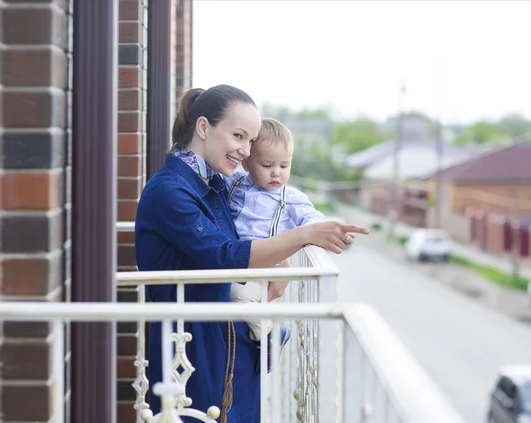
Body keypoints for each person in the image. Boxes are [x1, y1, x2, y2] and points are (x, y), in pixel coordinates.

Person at [135, 84, 369, 423]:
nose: (246, 151)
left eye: (250, 140)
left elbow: (241, 239)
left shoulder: (210, 183)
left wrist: (279, 256)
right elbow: (223, 253)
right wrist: (301, 236)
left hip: (223, 338)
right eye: (238, 136)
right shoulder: (170, 190)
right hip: (189, 342)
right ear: (203, 127)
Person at [223, 118, 329, 373]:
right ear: (247, 163)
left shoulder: (290, 197)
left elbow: (312, 218)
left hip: (264, 267)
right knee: (233, 296)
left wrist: (324, 232)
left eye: (284, 165)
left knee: (237, 297)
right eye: (267, 165)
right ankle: (264, 332)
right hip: (239, 261)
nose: (276, 173)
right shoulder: (234, 184)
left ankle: (270, 334)